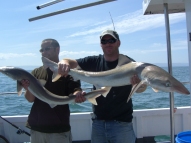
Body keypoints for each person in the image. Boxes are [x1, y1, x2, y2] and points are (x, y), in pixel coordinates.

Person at [57, 29, 147, 143]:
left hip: (122, 123)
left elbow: (141, 89)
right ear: (101, 45)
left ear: (118, 42)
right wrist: (64, 62)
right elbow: (71, 62)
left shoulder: (130, 64)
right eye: (104, 41)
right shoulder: (94, 61)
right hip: (98, 123)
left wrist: (138, 84)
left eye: (111, 40)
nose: (108, 43)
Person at [21, 39, 84, 143]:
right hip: (37, 127)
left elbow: (75, 91)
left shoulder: (69, 72)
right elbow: (30, 99)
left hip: (58, 129)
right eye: (41, 50)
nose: (44, 52)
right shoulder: (36, 72)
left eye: (47, 49)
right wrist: (28, 88)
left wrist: (78, 95)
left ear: (57, 50)